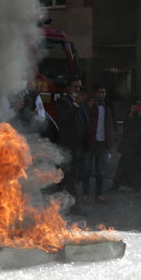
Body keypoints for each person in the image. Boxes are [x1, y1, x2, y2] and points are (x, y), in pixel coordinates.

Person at [54, 78, 90, 212]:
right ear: (69, 88)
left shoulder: (80, 104)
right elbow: (64, 119)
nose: (78, 90)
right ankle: (75, 206)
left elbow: (84, 123)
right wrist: (75, 104)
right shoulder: (63, 102)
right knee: (69, 176)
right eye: (75, 87)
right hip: (68, 147)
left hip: (79, 146)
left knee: (75, 175)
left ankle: (59, 201)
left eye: (79, 88)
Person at [111, 100, 141, 192]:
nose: (137, 107)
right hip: (130, 144)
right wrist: (130, 115)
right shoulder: (131, 115)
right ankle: (117, 184)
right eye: (136, 105)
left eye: (139, 105)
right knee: (124, 163)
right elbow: (126, 127)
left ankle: (138, 185)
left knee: (139, 165)